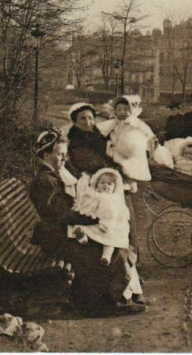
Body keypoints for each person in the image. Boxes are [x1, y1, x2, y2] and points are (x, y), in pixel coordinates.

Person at [28, 129, 145, 315]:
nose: (64, 159)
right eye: (59, 154)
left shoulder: (54, 176)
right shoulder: (44, 181)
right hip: (55, 236)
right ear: (45, 154)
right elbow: (62, 214)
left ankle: (111, 297)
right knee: (110, 253)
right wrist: (95, 217)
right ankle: (103, 304)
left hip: (60, 231)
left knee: (113, 243)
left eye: (65, 154)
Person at [97, 95, 156, 252]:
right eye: (119, 110)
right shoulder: (113, 125)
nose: (122, 113)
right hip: (114, 171)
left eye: (125, 110)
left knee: (126, 212)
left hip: (125, 172)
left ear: (132, 111)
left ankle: (132, 250)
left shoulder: (136, 127)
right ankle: (117, 248)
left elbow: (142, 145)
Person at [71, 168, 129, 266]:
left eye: (109, 184)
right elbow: (85, 206)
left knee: (111, 239)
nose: (105, 185)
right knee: (82, 227)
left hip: (111, 225)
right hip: (96, 222)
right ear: (96, 184)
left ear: (115, 187)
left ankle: (106, 256)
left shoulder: (113, 199)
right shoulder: (94, 195)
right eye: (102, 182)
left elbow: (110, 214)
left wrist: (106, 225)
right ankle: (82, 237)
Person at [66, 102, 114, 176]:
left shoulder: (99, 135)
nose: (88, 122)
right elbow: (89, 164)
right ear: (75, 122)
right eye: (83, 119)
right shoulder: (75, 142)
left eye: (90, 118)